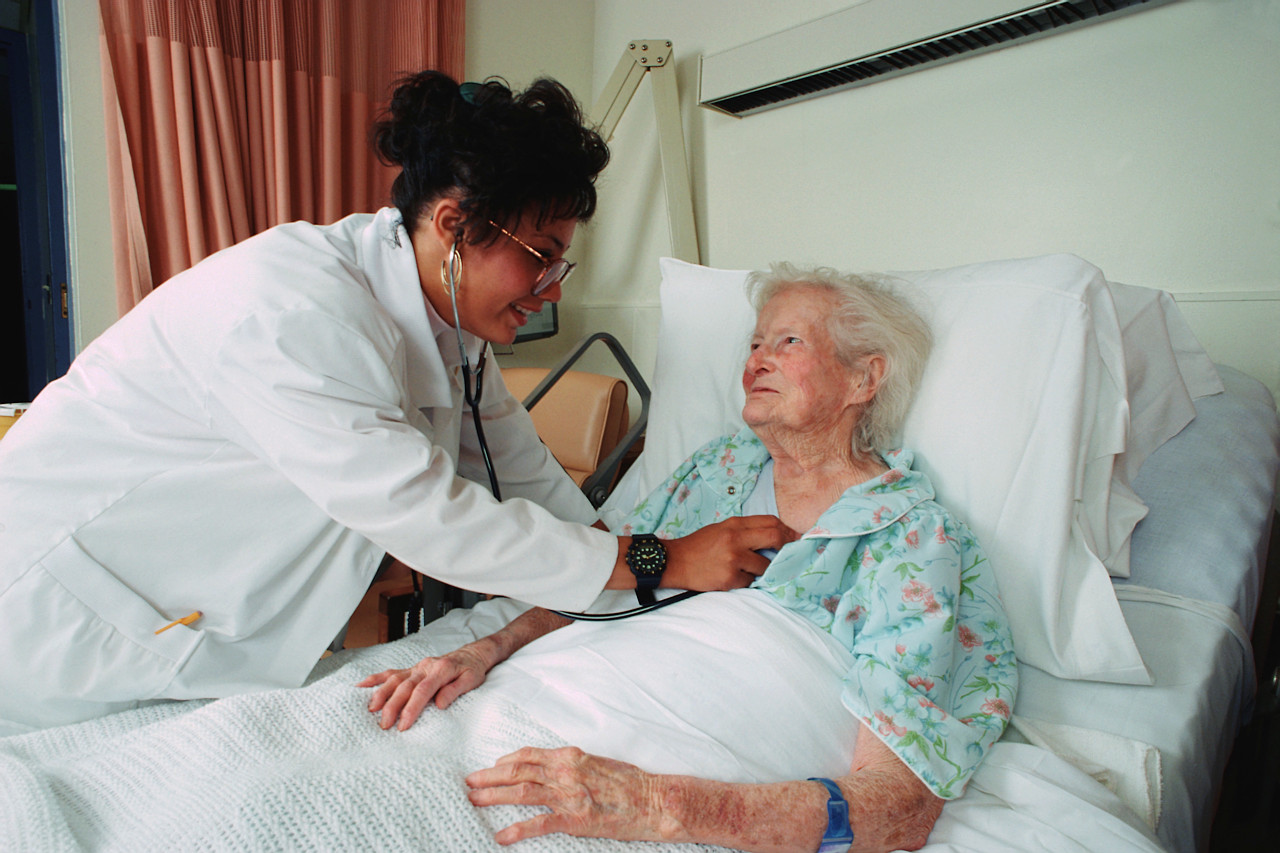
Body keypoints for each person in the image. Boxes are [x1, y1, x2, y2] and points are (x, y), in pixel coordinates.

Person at [0, 72, 792, 736]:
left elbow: (531, 483)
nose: (551, 289)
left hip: (183, 625)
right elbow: (436, 521)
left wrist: (633, 561)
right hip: (57, 613)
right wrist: (663, 559)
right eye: (540, 257)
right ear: (455, 226)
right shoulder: (289, 313)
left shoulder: (451, 335)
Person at [362, 263, 1018, 852]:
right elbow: (616, 572)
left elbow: (898, 810)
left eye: (787, 341)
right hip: (553, 697)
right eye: (754, 343)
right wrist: (486, 647)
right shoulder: (719, 467)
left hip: (668, 770)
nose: (755, 360)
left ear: (864, 376)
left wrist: (662, 804)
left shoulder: (908, 536)